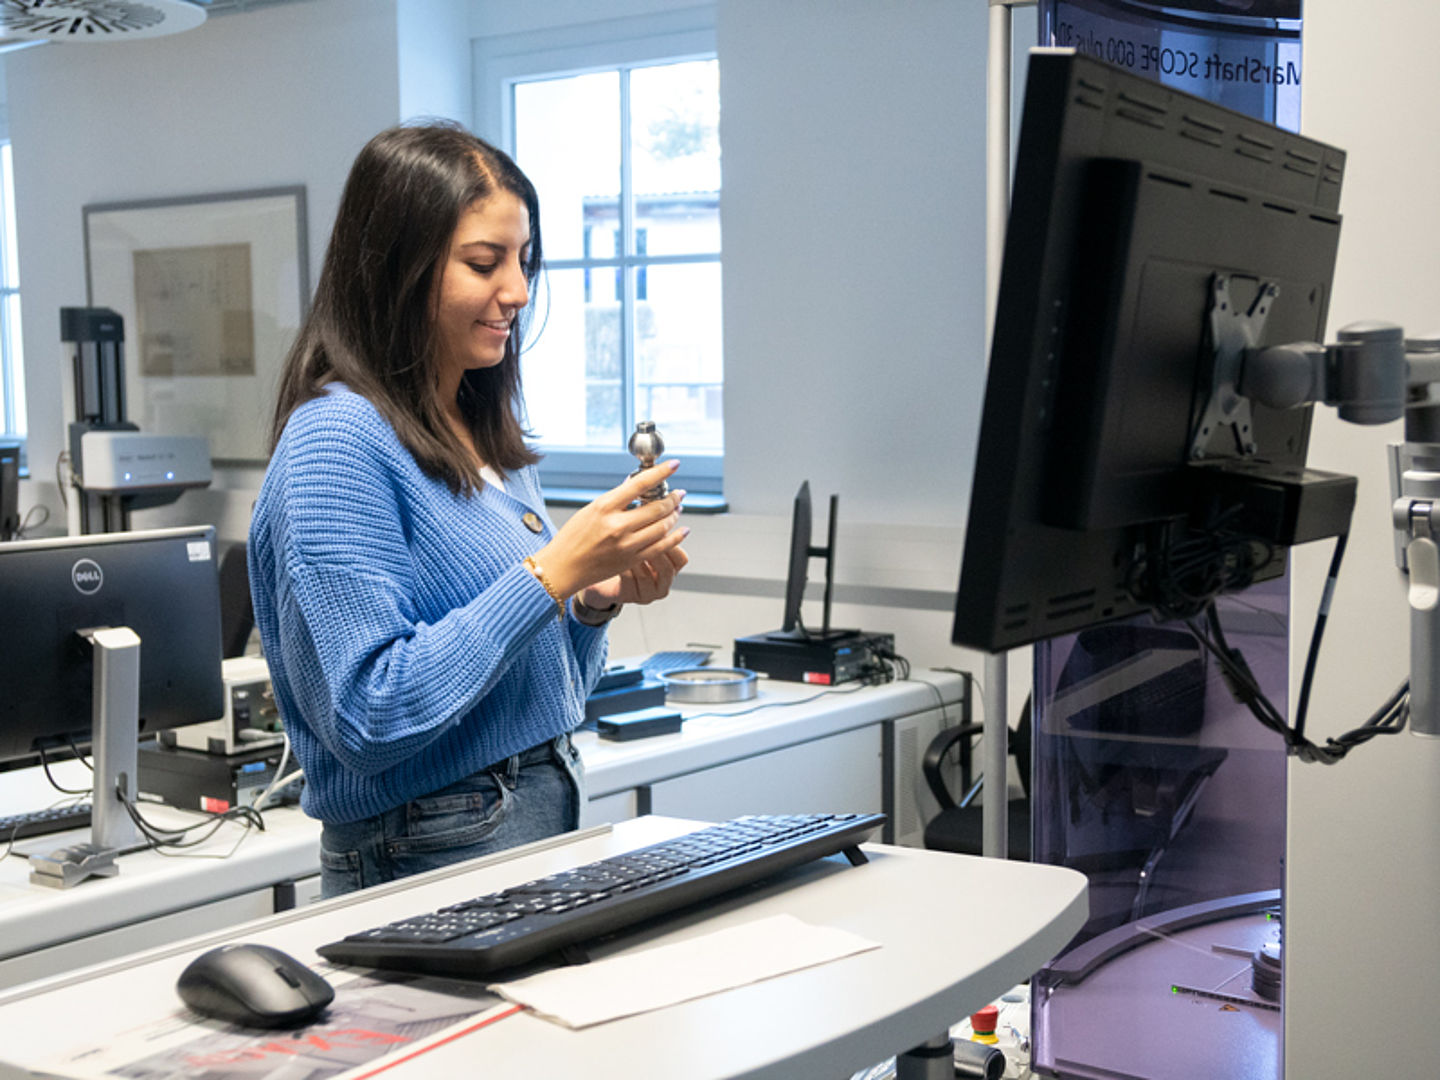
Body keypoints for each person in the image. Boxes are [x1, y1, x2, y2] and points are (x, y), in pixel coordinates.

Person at [247, 122, 689, 898]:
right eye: (485, 263)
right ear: (397, 269)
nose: (517, 291)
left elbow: (552, 697)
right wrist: (548, 575)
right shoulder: (336, 442)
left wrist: (589, 601)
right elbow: (370, 718)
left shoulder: (479, 427)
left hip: (537, 807)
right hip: (424, 845)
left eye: (524, 260)